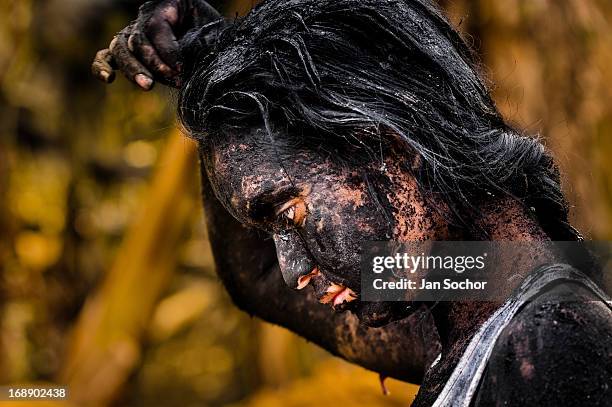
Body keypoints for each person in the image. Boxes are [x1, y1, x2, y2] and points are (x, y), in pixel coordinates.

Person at [92, 1, 612, 405]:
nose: (293, 268)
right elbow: (260, 280)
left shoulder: (548, 349)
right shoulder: (479, 288)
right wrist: (206, 55)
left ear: (388, 146)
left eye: (290, 213)